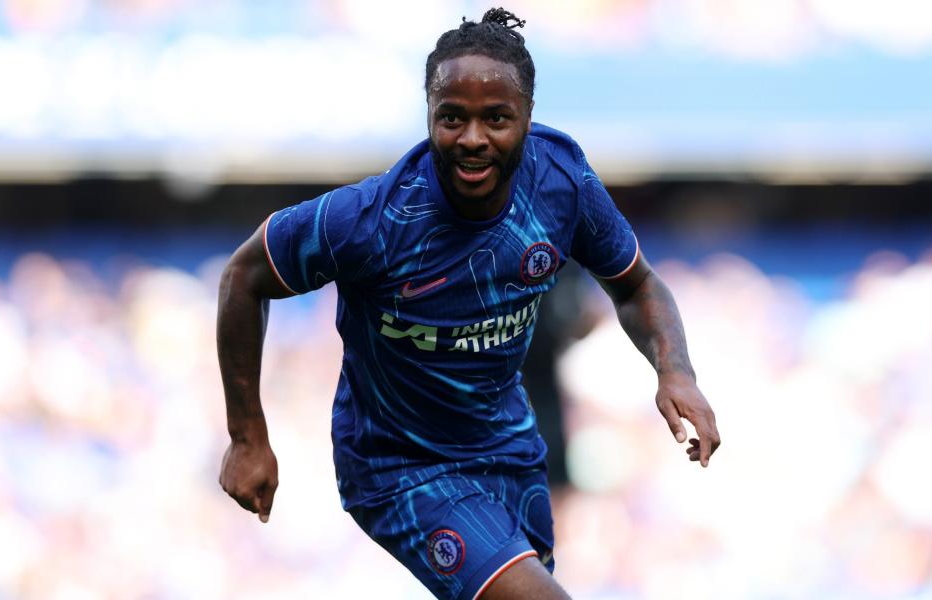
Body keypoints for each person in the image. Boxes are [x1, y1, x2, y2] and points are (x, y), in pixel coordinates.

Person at [216, 8, 720, 600]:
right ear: (429, 114)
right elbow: (244, 276)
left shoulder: (561, 183)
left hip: (508, 449)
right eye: (452, 118)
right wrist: (247, 434)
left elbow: (635, 283)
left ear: (528, 118)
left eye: (497, 119)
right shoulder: (373, 220)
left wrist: (675, 370)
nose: (473, 139)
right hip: (400, 465)